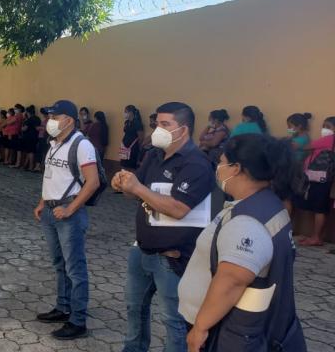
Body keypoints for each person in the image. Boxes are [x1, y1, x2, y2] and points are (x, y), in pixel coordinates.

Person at [179, 134, 307, 352]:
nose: (218, 168)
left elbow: (232, 281)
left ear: (236, 168)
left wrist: (200, 327)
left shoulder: (248, 221)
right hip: (241, 326)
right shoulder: (268, 203)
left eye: (221, 162)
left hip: (228, 330)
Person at [111, 102, 215, 352]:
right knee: (134, 308)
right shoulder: (155, 155)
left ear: (184, 129)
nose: (159, 129)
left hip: (172, 257)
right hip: (142, 250)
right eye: (157, 124)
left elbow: (179, 208)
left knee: (173, 320)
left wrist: (137, 187)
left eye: (165, 124)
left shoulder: (196, 164)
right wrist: (123, 185)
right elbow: (138, 193)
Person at [33, 100, 101, 341]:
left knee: (75, 268)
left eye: (55, 116)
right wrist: (43, 202)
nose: (50, 120)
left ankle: (78, 320)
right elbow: (51, 176)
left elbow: (92, 182)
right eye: (50, 115)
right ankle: (63, 308)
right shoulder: (54, 144)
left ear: (69, 120)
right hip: (51, 212)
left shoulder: (82, 145)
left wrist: (71, 208)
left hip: (68, 214)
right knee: (59, 263)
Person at [295, 116, 335, 246]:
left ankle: (316, 237)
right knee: (319, 207)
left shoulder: (329, 139)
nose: (324, 129)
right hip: (323, 178)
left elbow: (306, 147)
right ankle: (316, 236)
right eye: (324, 126)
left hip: (319, 178)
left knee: (319, 208)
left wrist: (298, 138)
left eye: (328, 126)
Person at [120, 105, 144, 170]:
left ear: (131, 112)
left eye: (126, 112)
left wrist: (139, 149)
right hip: (124, 147)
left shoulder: (137, 123)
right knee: (123, 164)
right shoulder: (127, 122)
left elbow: (141, 137)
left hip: (133, 148)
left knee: (131, 167)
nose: (124, 113)